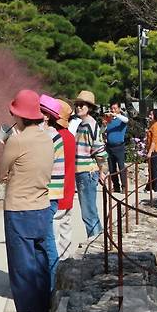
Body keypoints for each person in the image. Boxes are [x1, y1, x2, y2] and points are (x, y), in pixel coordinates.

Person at [0, 89, 54, 312]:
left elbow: (1, 173)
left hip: (19, 209)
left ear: (18, 115)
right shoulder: (47, 138)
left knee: (22, 269)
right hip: (42, 208)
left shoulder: (17, 140)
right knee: (41, 267)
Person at [73, 91, 107, 238]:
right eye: (77, 104)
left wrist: (101, 171)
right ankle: (98, 241)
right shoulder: (83, 124)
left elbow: (99, 151)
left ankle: (95, 243)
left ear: (89, 108)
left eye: (82, 105)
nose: (79, 107)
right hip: (84, 171)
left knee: (88, 213)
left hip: (86, 172)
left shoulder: (90, 125)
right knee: (89, 211)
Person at [39, 95, 64, 290]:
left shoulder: (49, 136)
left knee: (47, 243)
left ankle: (53, 287)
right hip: (50, 195)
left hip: (47, 195)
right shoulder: (51, 135)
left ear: (47, 116)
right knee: (44, 241)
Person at [52, 100, 76, 260]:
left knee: (53, 236)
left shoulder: (55, 138)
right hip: (68, 191)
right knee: (66, 231)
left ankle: (55, 269)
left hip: (56, 193)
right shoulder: (70, 137)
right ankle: (66, 263)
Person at [104, 101, 129, 192]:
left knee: (121, 166)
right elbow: (103, 130)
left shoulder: (122, 118)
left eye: (115, 108)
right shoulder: (109, 120)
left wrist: (116, 114)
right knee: (112, 168)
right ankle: (116, 186)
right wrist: (104, 124)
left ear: (119, 109)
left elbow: (126, 120)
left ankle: (124, 186)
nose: (113, 110)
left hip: (119, 146)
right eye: (112, 108)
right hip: (109, 146)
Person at [145, 109, 157, 192]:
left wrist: (149, 152)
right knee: (151, 168)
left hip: (155, 150)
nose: (149, 116)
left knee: (154, 169)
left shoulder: (156, 126)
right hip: (153, 149)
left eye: (151, 115)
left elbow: (154, 141)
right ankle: (149, 187)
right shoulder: (152, 124)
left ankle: (156, 188)